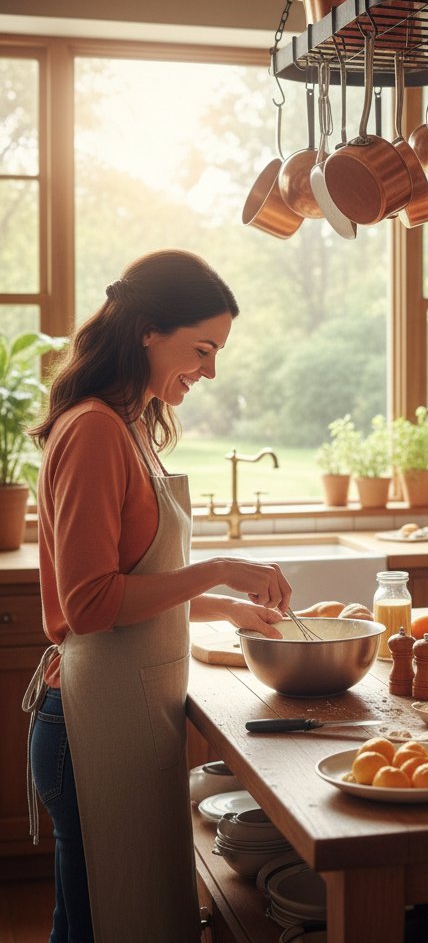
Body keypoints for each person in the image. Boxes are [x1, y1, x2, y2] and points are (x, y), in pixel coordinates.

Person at [22, 250, 293, 943]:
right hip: (87, 720)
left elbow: (135, 577)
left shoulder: (134, 425)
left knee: (108, 913)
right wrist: (218, 570)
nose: (209, 370)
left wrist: (227, 607)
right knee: (98, 921)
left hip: (126, 709)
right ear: (147, 329)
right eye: (201, 349)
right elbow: (90, 605)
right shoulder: (92, 431)